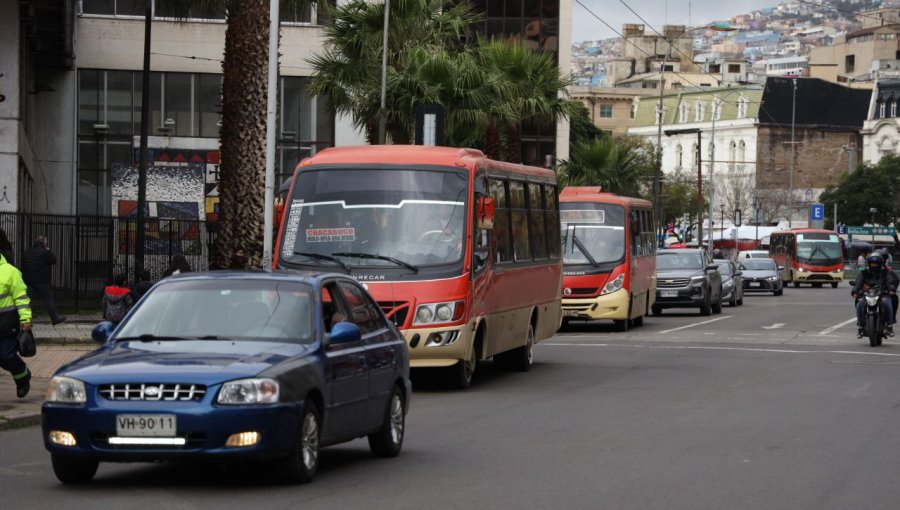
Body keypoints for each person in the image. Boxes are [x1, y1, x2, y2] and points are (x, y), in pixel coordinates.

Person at [0, 252, 32, 398]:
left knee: (6, 356)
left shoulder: (10, 271)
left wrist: (26, 320)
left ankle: (23, 377)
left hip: (6, 324)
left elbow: (21, 298)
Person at [852, 253, 899, 338]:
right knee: (859, 305)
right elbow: (858, 282)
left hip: (883, 293)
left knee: (888, 304)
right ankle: (861, 327)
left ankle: (889, 326)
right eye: (873, 263)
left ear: (880, 263)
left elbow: (890, 281)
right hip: (867, 294)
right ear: (869, 263)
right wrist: (855, 290)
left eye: (876, 263)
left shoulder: (885, 272)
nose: (874, 265)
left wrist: (891, 289)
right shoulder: (864, 272)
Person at [22, 236, 65, 325]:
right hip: (42, 281)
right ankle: (54, 319)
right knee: (48, 299)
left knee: (28, 301)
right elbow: (54, 261)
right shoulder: (45, 252)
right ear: (44, 243)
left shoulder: (28, 252)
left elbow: (24, 265)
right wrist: (49, 251)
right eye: (46, 242)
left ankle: (26, 320)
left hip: (29, 281)